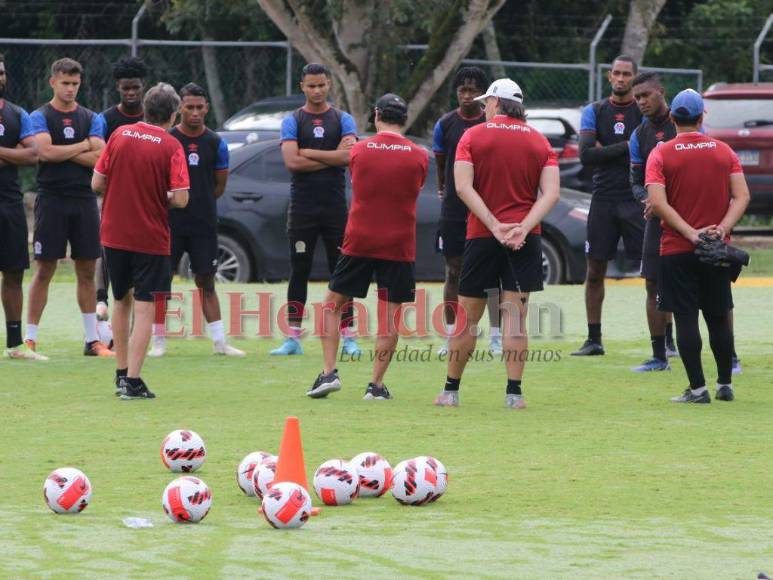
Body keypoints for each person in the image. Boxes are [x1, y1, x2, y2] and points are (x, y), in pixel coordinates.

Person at [433, 79, 560, 409]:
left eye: (485, 103)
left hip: (481, 236)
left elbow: (461, 187)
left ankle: (451, 391)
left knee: (468, 318)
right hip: (525, 239)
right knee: (515, 319)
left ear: (496, 103)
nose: (483, 108)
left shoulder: (472, 136)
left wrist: (493, 224)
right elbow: (552, 193)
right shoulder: (539, 141)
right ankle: (514, 395)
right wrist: (523, 227)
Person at [307, 93, 428, 400]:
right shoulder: (419, 155)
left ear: (377, 115)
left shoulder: (359, 150)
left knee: (333, 305)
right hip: (399, 243)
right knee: (389, 317)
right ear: (405, 119)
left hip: (360, 238)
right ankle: (375, 385)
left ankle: (329, 372)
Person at [645, 89, 750, 403]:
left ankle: (698, 389)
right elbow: (742, 196)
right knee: (718, 315)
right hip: (716, 250)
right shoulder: (724, 151)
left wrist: (691, 233)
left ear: (673, 118)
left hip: (677, 249)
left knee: (686, 317)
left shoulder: (661, 153)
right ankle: (725, 384)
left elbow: (657, 202)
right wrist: (722, 228)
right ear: (702, 116)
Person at [92, 83, 190, 400]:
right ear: (173, 114)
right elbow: (182, 200)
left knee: (121, 300)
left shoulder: (119, 134)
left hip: (114, 232)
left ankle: (121, 373)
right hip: (150, 236)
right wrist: (158, 194)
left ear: (145, 109)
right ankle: (134, 380)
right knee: (146, 308)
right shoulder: (171, 145)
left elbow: (96, 183)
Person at [148, 82, 244, 357]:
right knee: (161, 281)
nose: (194, 112)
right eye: (188, 107)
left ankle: (219, 343)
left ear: (207, 108)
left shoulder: (215, 143)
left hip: (203, 224)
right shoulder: (168, 139)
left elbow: (218, 186)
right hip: (170, 223)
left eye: (199, 107)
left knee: (206, 280)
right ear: (179, 108)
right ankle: (158, 342)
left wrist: (197, 202)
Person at [26, 58, 113, 357]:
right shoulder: (39, 116)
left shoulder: (92, 117)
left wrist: (64, 151)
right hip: (51, 199)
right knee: (44, 269)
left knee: (87, 269)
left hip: (85, 200)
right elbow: (44, 152)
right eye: (65, 83)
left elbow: (100, 158)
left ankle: (92, 341)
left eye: (75, 84)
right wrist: (82, 146)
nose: (70, 89)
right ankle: (30, 339)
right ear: (53, 82)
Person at [272, 62, 360, 357]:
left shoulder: (343, 119)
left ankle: (349, 337)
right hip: (303, 208)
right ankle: (293, 338)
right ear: (302, 87)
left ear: (329, 84)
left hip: (335, 207)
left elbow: (349, 157)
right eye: (311, 85)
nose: (317, 90)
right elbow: (292, 163)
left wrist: (308, 151)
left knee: (342, 270)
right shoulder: (292, 121)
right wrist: (331, 156)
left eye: (321, 85)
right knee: (299, 269)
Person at [572, 55, 644, 356]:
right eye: (616, 73)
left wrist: (607, 149)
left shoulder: (643, 111)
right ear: (608, 76)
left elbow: (651, 150)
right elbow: (586, 154)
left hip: (635, 199)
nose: (621, 79)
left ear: (634, 77)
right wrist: (628, 146)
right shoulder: (595, 111)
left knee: (655, 271)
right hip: (602, 199)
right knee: (595, 270)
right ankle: (594, 339)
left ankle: (666, 341)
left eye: (626, 74)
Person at [433, 66, 504, 356]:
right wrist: (445, 190)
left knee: (492, 274)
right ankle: (452, 335)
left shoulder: (493, 125)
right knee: (453, 271)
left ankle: (497, 336)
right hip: (454, 209)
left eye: (474, 90)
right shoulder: (446, 123)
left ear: (484, 95)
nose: (467, 95)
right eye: (463, 90)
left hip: (488, 208)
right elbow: (441, 163)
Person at [94, 57, 148, 329]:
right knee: (106, 246)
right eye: (126, 88)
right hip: (113, 196)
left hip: (144, 199)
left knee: (142, 253)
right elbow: (99, 159)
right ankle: (100, 299)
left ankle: (141, 321)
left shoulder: (149, 118)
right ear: (118, 87)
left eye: (135, 87)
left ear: (143, 86)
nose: (131, 93)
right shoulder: (106, 119)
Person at [629, 72, 677, 372]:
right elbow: (634, 181)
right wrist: (646, 201)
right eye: (637, 98)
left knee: (699, 286)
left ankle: (729, 355)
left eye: (646, 95)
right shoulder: (638, 135)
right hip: (655, 220)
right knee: (652, 285)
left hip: (689, 218)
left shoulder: (684, 125)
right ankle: (659, 356)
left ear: (661, 91)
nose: (641, 102)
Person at [0, 53, 45, 360]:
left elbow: (33, 155)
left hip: (9, 201)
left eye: (1, 72)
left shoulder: (18, 114)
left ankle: (15, 345)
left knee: (14, 271)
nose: (0, 77)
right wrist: (12, 151)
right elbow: (22, 153)